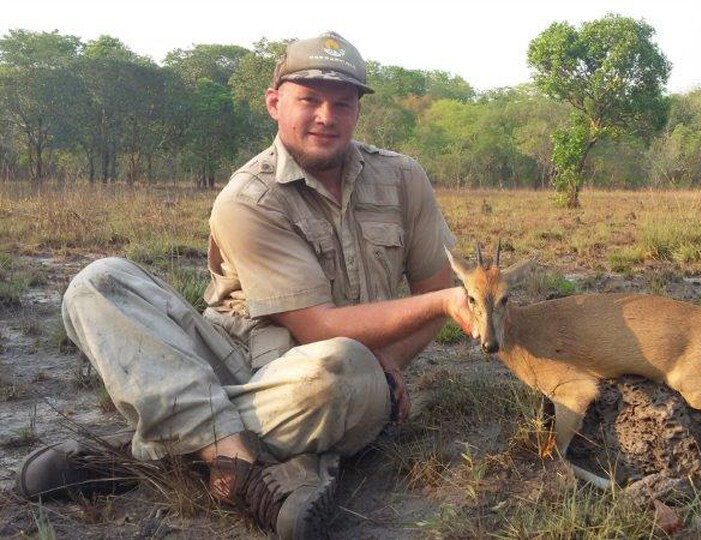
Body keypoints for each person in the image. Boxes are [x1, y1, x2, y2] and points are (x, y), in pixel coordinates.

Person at [17, 31, 473, 539]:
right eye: (310, 100)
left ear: (357, 112)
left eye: (342, 104)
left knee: (343, 371)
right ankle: (237, 458)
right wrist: (446, 303)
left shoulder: (404, 178)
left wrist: (391, 360)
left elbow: (432, 287)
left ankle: (158, 448)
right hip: (226, 357)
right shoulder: (247, 197)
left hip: (326, 376)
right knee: (96, 282)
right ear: (275, 103)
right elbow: (320, 323)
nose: (326, 116)